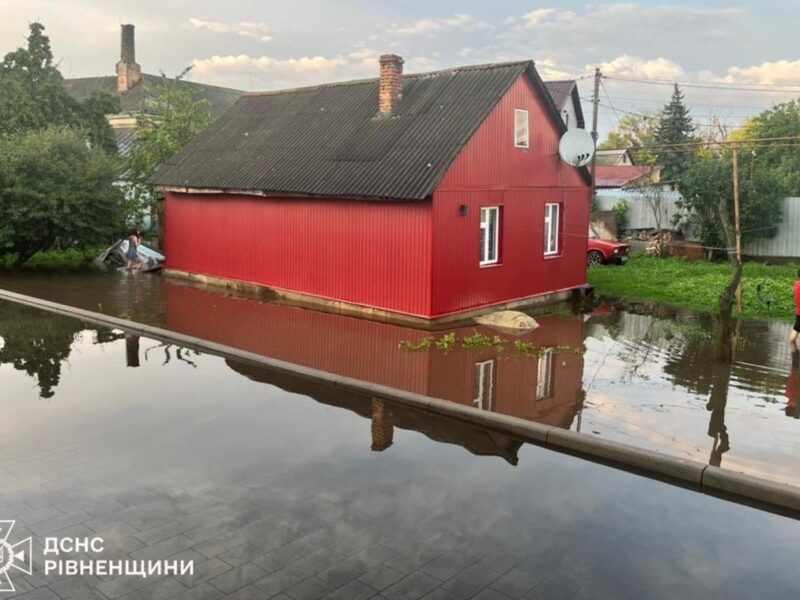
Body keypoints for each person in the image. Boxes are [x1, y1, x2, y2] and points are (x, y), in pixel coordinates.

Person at [791, 268, 800, 351]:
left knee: (796, 330)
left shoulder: (796, 284)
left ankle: (795, 360)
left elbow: (793, 295)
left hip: (798, 312)